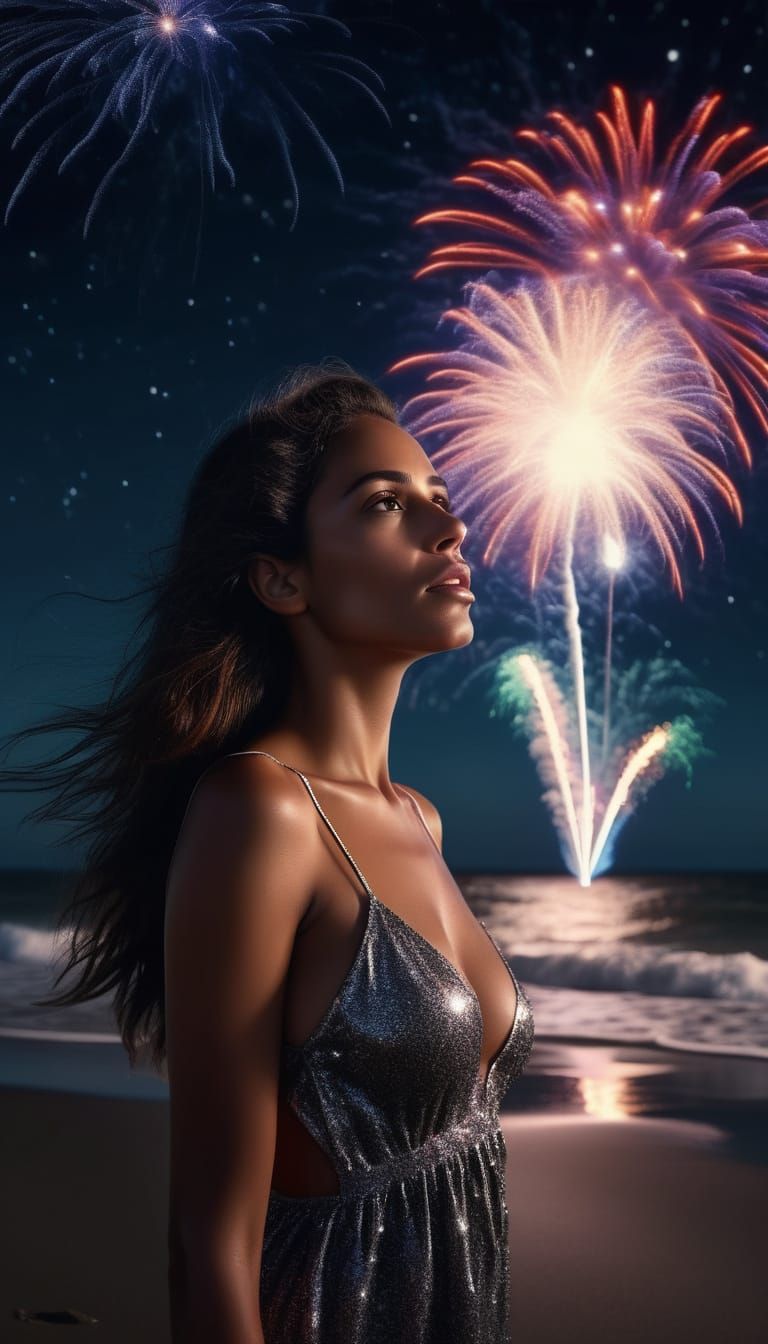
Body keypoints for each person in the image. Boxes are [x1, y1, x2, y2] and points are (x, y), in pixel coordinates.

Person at [3, 359, 534, 1343]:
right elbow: (210, 1242)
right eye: (385, 504)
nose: (448, 528)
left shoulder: (420, 820)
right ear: (282, 578)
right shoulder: (261, 812)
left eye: (440, 499)